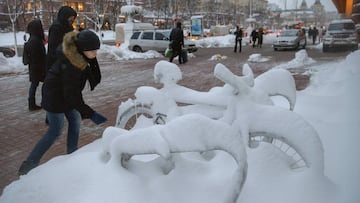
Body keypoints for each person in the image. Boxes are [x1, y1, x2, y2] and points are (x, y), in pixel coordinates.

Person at [18, 30, 107, 175]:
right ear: (82, 49)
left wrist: (85, 111)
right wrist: (91, 113)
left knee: (75, 120)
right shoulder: (72, 65)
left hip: (64, 96)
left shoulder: (79, 57)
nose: (95, 53)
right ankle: (29, 163)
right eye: (92, 50)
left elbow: (73, 93)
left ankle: (72, 155)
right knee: (55, 131)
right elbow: (73, 95)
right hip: (54, 99)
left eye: (96, 49)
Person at [46, 6, 77, 71]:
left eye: (73, 18)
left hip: (65, 62)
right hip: (57, 63)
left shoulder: (68, 26)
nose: (72, 20)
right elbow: (54, 48)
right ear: (65, 16)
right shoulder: (56, 27)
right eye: (71, 17)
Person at [24, 19, 46, 111]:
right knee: (46, 84)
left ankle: (32, 103)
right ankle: (43, 102)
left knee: (34, 84)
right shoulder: (36, 40)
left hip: (34, 67)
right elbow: (40, 56)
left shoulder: (32, 39)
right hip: (39, 67)